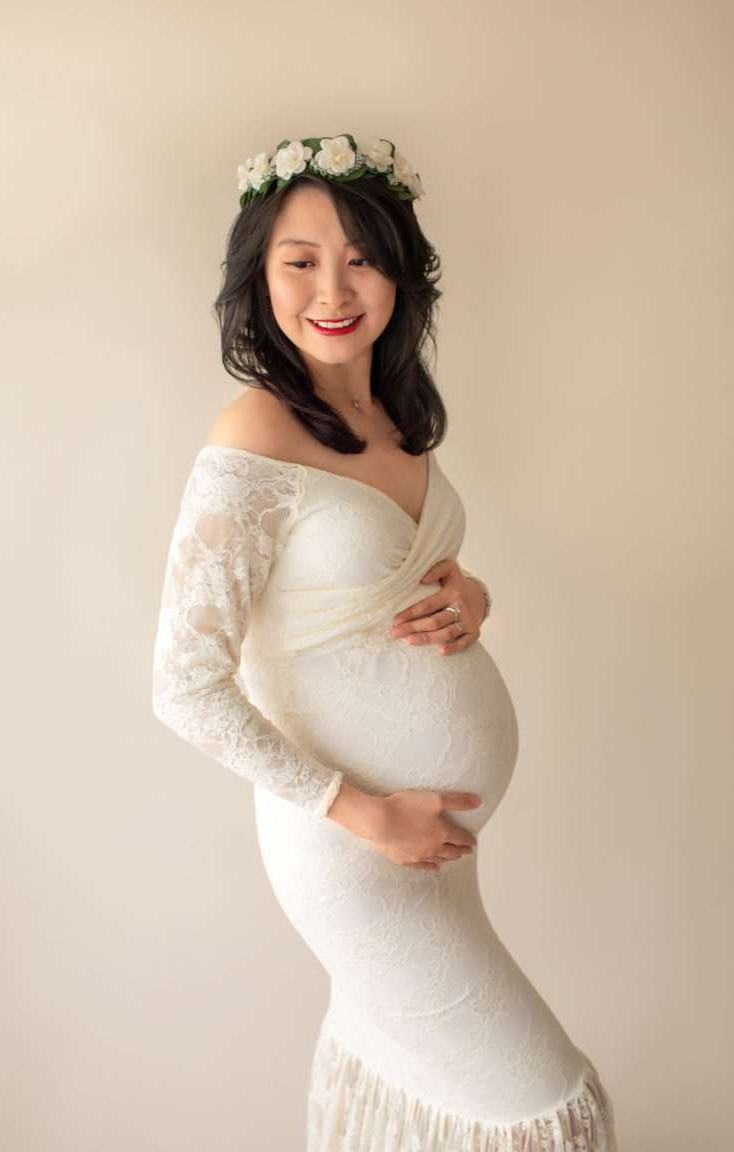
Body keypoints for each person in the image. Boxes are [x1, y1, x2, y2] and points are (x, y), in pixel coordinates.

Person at [152, 133, 617, 1151]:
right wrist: (364, 815)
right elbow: (183, 684)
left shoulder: (397, 418)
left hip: (430, 851)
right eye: (300, 258)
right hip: (357, 850)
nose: (334, 286)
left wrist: (476, 596)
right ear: (257, 275)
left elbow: (386, 585)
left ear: (399, 269)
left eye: (360, 255)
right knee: (556, 1112)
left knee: (403, 1095)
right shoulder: (255, 432)